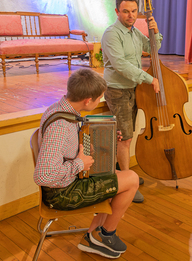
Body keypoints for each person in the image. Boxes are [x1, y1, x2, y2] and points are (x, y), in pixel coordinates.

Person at [33, 68, 139, 259]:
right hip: (62, 193)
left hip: (69, 180)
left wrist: (105, 137)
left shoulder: (61, 108)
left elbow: (70, 144)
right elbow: (43, 175)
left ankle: (93, 236)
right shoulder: (60, 127)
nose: (100, 101)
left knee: (113, 174)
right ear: (88, 100)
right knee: (131, 179)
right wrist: (78, 164)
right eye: (99, 98)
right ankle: (105, 234)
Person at [101, 0, 163, 203]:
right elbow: (120, 65)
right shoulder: (112, 34)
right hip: (118, 90)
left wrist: (155, 32)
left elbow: (153, 48)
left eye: (134, 11)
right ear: (117, 11)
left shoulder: (135, 32)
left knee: (128, 135)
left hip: (133, 89)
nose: (130, 15)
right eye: (126, 11)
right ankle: (127, 182)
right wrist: (148, 78)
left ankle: (123, 174)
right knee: (125, 138)